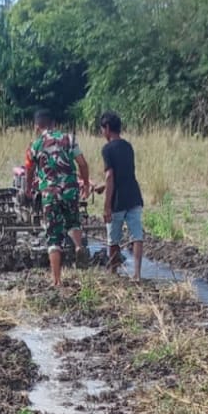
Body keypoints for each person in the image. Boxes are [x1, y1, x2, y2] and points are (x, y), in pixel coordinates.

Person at [23, 109, 91, 288]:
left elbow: (29, 170)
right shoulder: (69, 139)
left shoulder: (35, 145)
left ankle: (57, 280)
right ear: (54, 123)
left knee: (53, 237)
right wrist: (85, 183)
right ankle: (78, 246)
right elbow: (82, 163)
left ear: (37, 126)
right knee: (74, 222)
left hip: (50, 194)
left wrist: (29, 188)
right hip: (70, 190)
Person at [98, 111, 145, 282]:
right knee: (137, 235)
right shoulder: (128, 146)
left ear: (108, 128)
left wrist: (107, 206)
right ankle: (137, 274)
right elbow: (123, 174)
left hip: (117, 200)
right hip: (133, 196)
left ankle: (114, 273)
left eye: (102, 129)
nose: (102, 133)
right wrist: (103, 186)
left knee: (113, 238)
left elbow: (111, 176)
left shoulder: (107, 149)